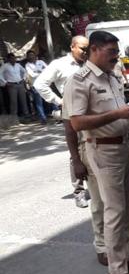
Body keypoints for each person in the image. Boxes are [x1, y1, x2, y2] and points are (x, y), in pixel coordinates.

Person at [64, 31, 129, 274]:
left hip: (124, 146)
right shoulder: (80, 81)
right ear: (94, 49)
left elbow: (124, 115)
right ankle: (117, 271)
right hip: (103, 151)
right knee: (114, 211)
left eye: (116, 52)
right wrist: (117, 114)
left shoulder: (112, 76)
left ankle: (127, 260)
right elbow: (77, 122)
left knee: (128, 207)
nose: (116, 56)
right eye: (110, 52)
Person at [34, 36, 90, 208]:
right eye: (82, 48)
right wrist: (58, 101)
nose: (85, 52)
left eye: (87, 49)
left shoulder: (89, 63)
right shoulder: (59, 65)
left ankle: (97, 186)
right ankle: (79, 191)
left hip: (93, 111)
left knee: (94, 147)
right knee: (76, 151)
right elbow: (39, 83)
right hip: (72, 113)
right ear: (72, 47)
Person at [0, 53, 29, 122]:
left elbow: (25, 71)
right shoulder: (5, 66)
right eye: (12, 58)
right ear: (8, 59)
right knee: (13, 102)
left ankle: (26, 115)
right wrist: (5, 82)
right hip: (11, 85)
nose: (14, 59)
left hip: (20, 84)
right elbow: (0, 74)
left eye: (14, 58)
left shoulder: (18, 65)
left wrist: (23, 79)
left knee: (23, 100)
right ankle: (14, 118)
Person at [24, 50, 48, 124]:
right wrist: (41, 72)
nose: (31, 56)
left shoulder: (41, 62)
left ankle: (58, 116)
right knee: (39, 103)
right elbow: (32, 74)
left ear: (35, 55)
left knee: (50, 100)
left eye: (32, 55)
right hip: (35, 85)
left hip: (45, 84)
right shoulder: (27, 65)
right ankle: (43, 118)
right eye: (29, 55)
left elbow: (47, 70)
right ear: (27, 57)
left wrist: (38, 72)